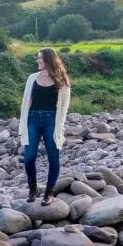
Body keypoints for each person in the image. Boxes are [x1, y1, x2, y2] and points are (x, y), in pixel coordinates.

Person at [19, 48, 72, 206]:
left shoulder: (62, 80)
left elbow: (63, 107)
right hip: (33, 119)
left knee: (53, 158)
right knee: (28, 158)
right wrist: (23, 123)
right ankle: (33, 188)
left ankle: (49, 193)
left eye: (40, 58)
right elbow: (25, 102)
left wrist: (59, 127)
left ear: (48, 59)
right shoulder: (32, 78)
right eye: (38, 58)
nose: (37, 61)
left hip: (51, 120)